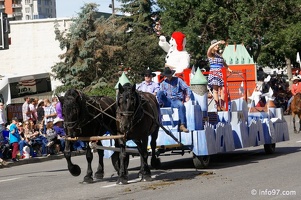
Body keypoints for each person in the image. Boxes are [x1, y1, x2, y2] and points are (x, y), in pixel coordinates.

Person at [157, 67, 191, 133]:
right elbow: (161, 93)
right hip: (167, 101)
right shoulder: (163, 83)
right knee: (159, 92)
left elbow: (187, 88)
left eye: (169, 75)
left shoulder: (178, 80)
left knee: (181, 105)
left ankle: (182, 124)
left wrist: (188, 96)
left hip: (175, 100)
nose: (168, 77)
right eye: (167, 76)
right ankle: (160, 105)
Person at [207, 39, 232, 111]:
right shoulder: (210, 54)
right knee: (215, 90)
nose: (218, 46)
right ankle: (217, 105)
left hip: (221, 73)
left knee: (224, 89)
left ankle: (222, 104)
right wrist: (218, 42)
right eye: (216, 45)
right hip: (214, 72)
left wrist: (229, 69)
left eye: (218, 45)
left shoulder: (219, 55)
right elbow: (210, 48)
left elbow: (224, 63)